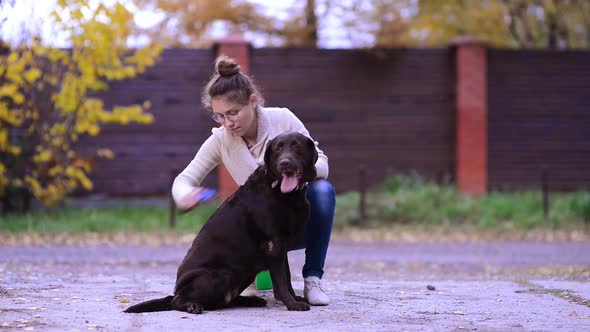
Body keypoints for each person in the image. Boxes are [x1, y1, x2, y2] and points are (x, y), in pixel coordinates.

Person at [171, 55, 335, 306]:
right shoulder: (220, 140)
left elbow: (320, 160)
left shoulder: (283, 119)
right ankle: (250, 276)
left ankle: (312, 279)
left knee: (323, 191)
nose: (227, 123)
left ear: (253, 102)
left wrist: (300, 175)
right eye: (219, 116)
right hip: (255, 234)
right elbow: (184, 178)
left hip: (293, 223)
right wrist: (184, 195)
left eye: (233, 113)